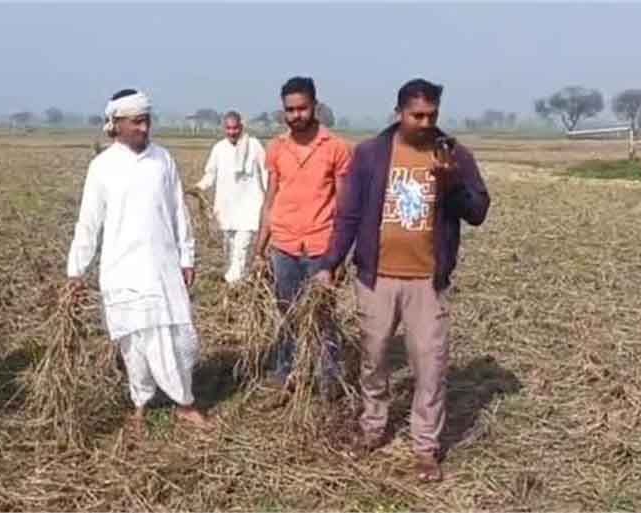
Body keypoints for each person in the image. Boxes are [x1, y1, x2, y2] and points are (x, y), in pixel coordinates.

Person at [315, 79, 490, 482]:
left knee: (430, 366)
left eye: (432, 115)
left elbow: (478, 212)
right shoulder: (371, 154)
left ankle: (425, 448)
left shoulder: (454, 155)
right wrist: (330, 262)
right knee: (374, 358)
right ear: (399, 113)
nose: (425, 123)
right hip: (376, 279)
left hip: (427, 282)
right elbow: (349, 215)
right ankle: (372, 428)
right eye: (417, 115)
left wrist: (451, 184)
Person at [66, 89, 213, 434]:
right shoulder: (102, 167)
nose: (144, 128)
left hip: (163, 267)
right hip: (121, 270)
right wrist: (76, 271)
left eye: (147, 120)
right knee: (133, 342)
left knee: (176, 338)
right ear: (116, 123)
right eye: (136, 122)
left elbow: (178, 212)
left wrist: (187, 256)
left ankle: (185, 402)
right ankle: (141, 403)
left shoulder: (162, 160)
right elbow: (88, 223)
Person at [254, 77, 351, 395]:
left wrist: (340, 258)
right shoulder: (277, 148)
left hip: (322, 248)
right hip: (284, 247)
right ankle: (286, 374)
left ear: (315, 106)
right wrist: (259, 249)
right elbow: (270, 200)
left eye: (302, 108)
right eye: (290, 110)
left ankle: (329, 379)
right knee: (286, 313)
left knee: (323, 316)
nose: (296, 115)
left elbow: (345, 207)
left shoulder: (335, 148)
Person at [194, 111, 268, 283]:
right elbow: (210, 174)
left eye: (235, 128)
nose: (232, 132)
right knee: (229, 249)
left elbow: (265, 172)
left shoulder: (254, 145)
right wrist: (198, 188)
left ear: (241, 127)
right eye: (228, 128)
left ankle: (233, 285)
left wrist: (270, 197)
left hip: (249, 207)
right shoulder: (219, 148)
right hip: (226, 208)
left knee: (242, 248)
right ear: (224, 129)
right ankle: (240, 281)